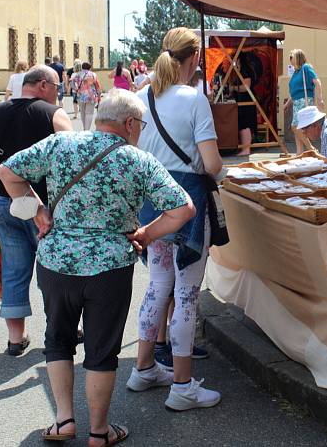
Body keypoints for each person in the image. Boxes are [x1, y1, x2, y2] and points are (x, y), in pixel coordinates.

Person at [0, 90, 194, 444]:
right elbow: (183, 210)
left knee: (57, 340)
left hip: (56, 260)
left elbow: (7, 171)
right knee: (102, 350)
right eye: (141, 126)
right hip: (110, 266)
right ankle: (99, 433)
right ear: (130, 124)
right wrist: (146, 234)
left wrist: (38, 210)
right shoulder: (139, 160)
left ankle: (64, 421)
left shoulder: (61, 143)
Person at [129, 27, 224, 411]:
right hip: (186, 203)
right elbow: (214, 163)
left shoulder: (138, 99)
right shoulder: (194, 100)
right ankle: (182, 385)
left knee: (157, 284)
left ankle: (143, 367)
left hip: (151, 204)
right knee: (186, 293)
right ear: (195, 59)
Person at [0, 65, 73, 356]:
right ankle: (62, 328)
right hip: (44, 204)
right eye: (57, 87)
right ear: (43, 85)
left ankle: (16, 338)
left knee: (15, 269)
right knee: (53, 268)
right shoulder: (54, 114)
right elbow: (72, 160)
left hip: (4, 200)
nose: (59, 92)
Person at [284, 49, 325, 155]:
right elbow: (294, 92)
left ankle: (310, 148)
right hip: (297, 103)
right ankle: (299, 153)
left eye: (292, 57)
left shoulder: (306, 68)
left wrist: (319, 99)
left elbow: (317, 82)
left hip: (304, 101)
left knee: (295, 126)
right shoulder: (296, 72)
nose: (290, 59)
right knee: (300, 129)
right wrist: (288, 104)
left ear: (298, 57)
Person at [75, 62, 101, 131]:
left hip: (80, 95)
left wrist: (76, 89)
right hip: (91, 96)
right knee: (89, 113)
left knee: (83, 113)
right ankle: (87, 129)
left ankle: (84, 128)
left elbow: (72, 83)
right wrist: (99, 96)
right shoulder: (93, 74)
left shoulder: (78, 74)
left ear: (82, 67)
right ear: (90, 68)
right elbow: (97, 86)